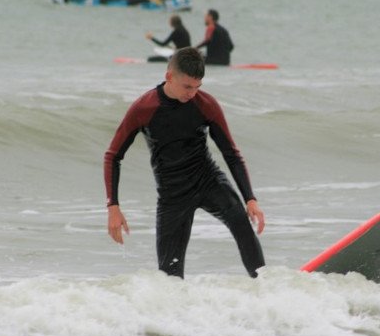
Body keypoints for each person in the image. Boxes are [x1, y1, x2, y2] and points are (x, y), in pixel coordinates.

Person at [104, 47, 266, 278]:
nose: (192, 93)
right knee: (170, 277)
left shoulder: (205, 104)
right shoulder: (144, 108)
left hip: (208, 180)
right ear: (169, 76)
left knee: (242, 223)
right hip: (173, 195)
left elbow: (230, 152)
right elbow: (113, 156)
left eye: (197, 86)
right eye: (187, 86)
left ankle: (266, 286)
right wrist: (113, 207)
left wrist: (250, 198)